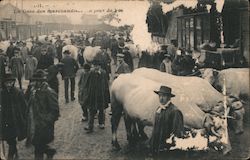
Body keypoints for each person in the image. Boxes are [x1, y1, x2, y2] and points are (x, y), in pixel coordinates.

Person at [25, 70, 59, 160]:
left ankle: (48, 152)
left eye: (35, 81)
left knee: (38, 147)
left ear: (41, 81)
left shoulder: (49, 92)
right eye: (33, 80)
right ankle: (49, 152)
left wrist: (46, 120)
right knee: (37, 145)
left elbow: (55, 111)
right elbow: (27, 101)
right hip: (34, 123)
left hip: (44, 125)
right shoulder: (33, 90)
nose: (33, 82)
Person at [150, 86, 184, 155]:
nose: (161, 98)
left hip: (167, 148)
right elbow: (155, 129)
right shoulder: (159, 109)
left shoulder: (175, 111)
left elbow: (177, 132)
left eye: (164, 96)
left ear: (169, 97)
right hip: (157, 146)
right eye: (160, 96)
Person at [0, 73, 27, 160]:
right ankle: (15, 153)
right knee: (9, 139)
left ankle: (10, 157)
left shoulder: (18, 92)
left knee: (12, 139)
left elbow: (24, 106)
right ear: (4, 83)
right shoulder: (2, 93)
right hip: (5, 120)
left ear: (13, 82)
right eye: (7, 83)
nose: (9, 84)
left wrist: (23, 118)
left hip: (15, 119)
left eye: (10, 82)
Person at [84, 60, 110, 133]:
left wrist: (106, 94)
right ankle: (90, 126)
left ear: (100, 66)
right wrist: (87, 94)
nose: (95, 67)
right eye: (94, 66)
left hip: (101, 95)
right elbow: (87, 84)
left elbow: (106, 84)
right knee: (91, 111)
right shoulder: (91, 73)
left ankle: (101, 123)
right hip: (92, 95)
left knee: (101, 110)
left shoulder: (103, 73)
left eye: (97, 66)